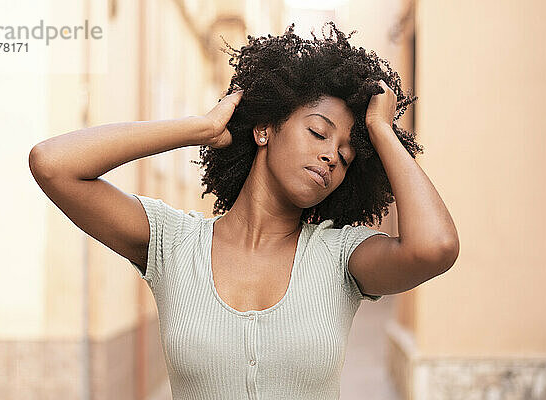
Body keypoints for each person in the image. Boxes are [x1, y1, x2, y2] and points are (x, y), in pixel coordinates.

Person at [29, 22, 459, 400]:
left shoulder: (342, 257)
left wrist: (381, 130)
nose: (331, 156)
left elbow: (435, 247)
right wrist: (199, 128)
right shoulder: (173, 243)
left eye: (346, 156)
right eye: (317, 132)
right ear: (264, 128)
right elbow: (54, 165)